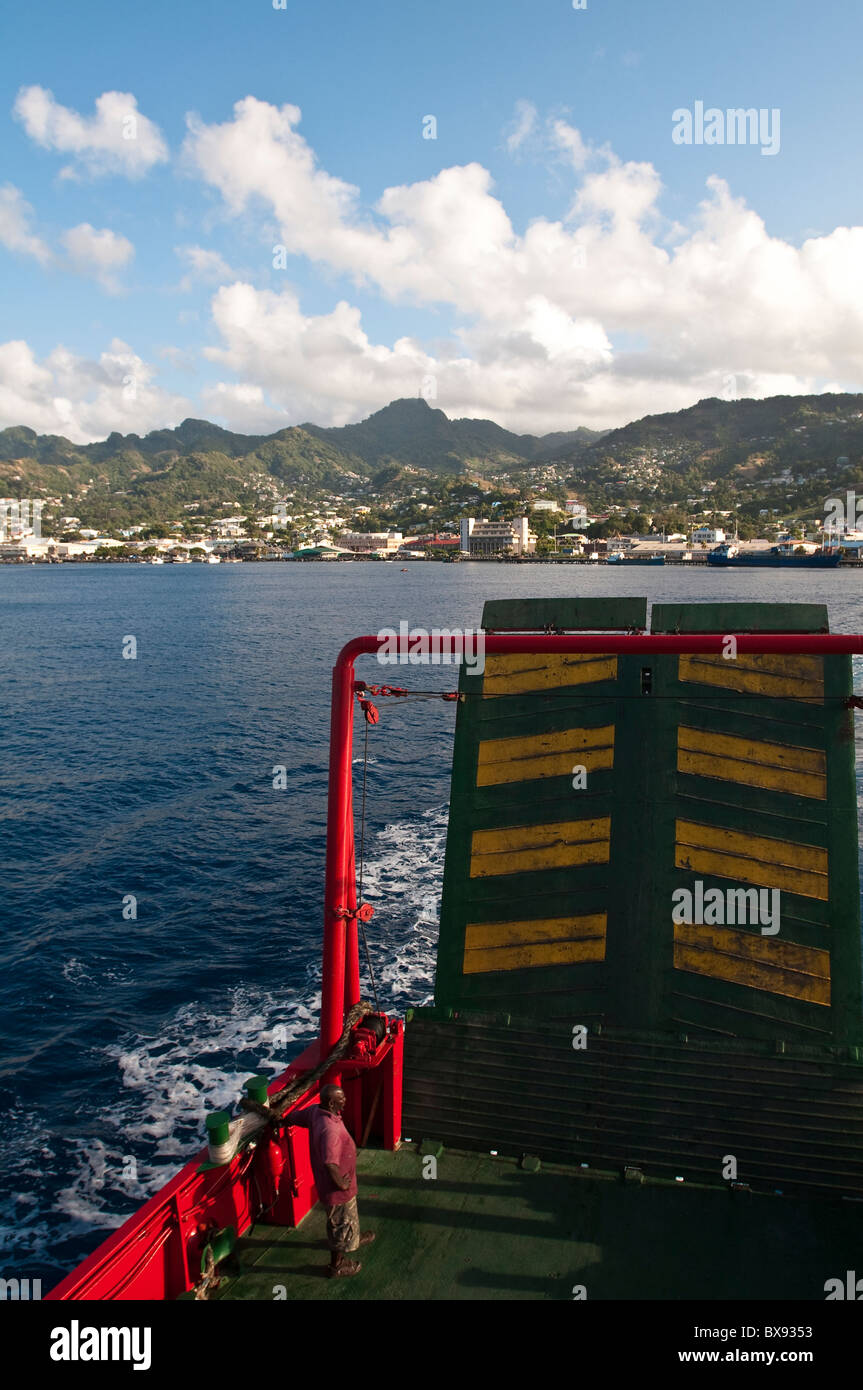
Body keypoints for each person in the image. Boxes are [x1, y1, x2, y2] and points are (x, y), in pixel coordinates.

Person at [291, 1083, 375, 1277]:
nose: (345, 1100)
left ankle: (353, 1238)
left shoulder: (316, 1112)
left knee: (346, 1221)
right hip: (338, 1192)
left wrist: (283, 1120)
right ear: (331, 1103)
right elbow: (330, 1164)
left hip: (331, 1186)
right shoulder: (331, 1131)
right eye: (341, 1099)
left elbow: (297, 1117)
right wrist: (342, 1184)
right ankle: (336, 1266)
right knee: (341, 1225)